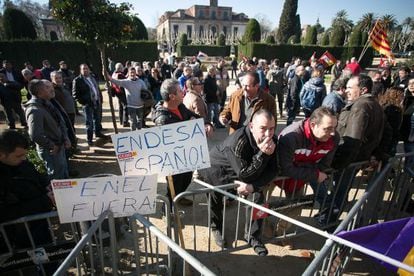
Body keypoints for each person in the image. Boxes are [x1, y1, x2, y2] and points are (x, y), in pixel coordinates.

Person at [198, 109, 278, 256]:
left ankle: (253, 236)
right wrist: (263, 155)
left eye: (272, 128)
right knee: (216, 199)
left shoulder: (273, 140)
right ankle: (217, 229)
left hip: (243, 171)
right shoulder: (237, 142)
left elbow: (274, 170)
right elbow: (245, 175)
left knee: (258, 198)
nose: (268, 134)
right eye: (263, 128)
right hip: (216, 170)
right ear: (252, 126)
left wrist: (254, 186)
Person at [153, 79, 213, 206]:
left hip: (187, 156)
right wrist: (189, 124)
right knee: (174, 185)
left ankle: (179, 197)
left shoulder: (181, 107)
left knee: (186, 179)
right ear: (172, 96)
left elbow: (196, 118)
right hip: (174, 161)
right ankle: (168, 209)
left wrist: (207, 124)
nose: (183, 93)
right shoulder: (162, 119)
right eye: (180, 91)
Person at [277, 107, 339, 226]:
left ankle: (280, 233)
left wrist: (305, 170)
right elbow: (285, 168)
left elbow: (324, 165)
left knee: (296, 207)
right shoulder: (291, 137)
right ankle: (256, 232)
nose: (332, 133)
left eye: (334, 127)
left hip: (298, 179)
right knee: (259, 207)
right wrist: (313, 174)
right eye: (328, 129)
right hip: (273, 174)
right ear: (313, 124)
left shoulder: (333, 138)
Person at [332, 75, 385, 209]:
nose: (346, 91)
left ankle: (330, 219)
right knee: (342, 190)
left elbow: (352, 140)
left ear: (363, 90)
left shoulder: (360, 106)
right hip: (357, 159)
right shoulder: (375, 104)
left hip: (348, 161)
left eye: (350, 87)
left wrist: (339, 163)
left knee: (339, 191)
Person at [0, 130, 55, 251]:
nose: (24, 158)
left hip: (39, 225)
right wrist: (46, 201)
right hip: (19, 236)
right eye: (19, 156)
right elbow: (5, 213)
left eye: (25, 154)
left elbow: (36, 176)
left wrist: (47, 184)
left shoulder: (22, 163)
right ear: (2, 154)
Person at [24, 79, 71, 180]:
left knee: (63, 172)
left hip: (59, 145)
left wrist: (65, 138)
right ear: (39, 92)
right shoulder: (34, 110)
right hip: (51, 150)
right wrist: (51, 145)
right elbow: (35, 135)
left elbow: (60, 122)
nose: (51, 89)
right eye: (47, 87)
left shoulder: (47, 103)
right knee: (57, 178)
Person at [72, 64, 107, 146]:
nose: (85, 70)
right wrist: (84, 102)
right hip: (87, 105)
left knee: (97, 120)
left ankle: (98, 133)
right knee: (89, 123)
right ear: (80, 70)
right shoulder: (77, 80)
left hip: (97, 102)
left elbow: (97, 89)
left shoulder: (92, 77)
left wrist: (100, 99)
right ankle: (89, 139)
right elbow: (75, 95)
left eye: (86, 68)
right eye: (83, 69)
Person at [111, 63, 129, 127]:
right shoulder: (120, 75)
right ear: (120, 68)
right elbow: (124, 82)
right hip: (121, 92)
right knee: (125, 106)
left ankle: (121, 120)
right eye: (122, 67)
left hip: (116, 92)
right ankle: (125, 121)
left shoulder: (114, 74)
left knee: (121, 107)